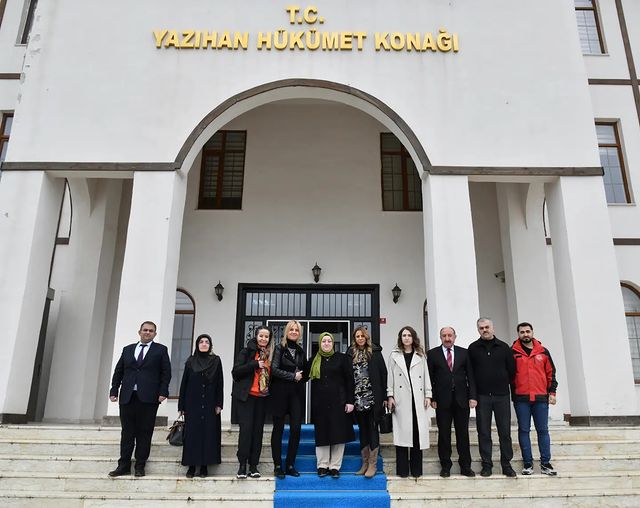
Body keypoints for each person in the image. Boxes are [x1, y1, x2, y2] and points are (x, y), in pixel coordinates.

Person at [108, 320, 171, 477]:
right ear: (139, 332)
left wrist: (163, 392)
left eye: (151, 331)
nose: (147, 332)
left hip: (149, 398)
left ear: (155, 334)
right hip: (128, 397)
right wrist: (114, 389)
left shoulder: (160, 350)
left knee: (144, 432)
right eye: (145, 330)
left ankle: (140, 466)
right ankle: (123, 465)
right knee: (127, 432)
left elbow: (166, 373)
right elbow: (119, 371)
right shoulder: (128, 350)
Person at [468, 317, 517, 478]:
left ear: (493, 328)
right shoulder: (473, 348)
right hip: (482, 397)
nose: (485, 330)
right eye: (481, 328)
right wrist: (473, 396)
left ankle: (506, 464)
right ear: (478, 330)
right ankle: (487, 464)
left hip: (502, 395)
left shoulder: (504, 347)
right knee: (483, 432)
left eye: (487, 327)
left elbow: (511, 371)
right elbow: (471, 375)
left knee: (505, 431)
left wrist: (501, 383)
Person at [427, 326, 477, 478]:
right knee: (444, 434)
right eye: (444, 336)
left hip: (462, 400)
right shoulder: (433, 354)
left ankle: (465, 466)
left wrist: (472, 396)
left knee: (463, 434)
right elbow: (430, 378)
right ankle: (445, 466)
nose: (447, 338)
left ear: (455, 336)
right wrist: (433, 398)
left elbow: (471, 376)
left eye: (450, 335)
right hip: (442, 401)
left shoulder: (464, 352)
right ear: (440, 337)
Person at [511, 321, 558, 476]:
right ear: (518, 334)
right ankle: (528, 463)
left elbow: (551, 373)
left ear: (532, 332)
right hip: (521, 398)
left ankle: (545, 463)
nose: (525, 334)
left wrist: (552, 393)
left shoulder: (543, 351)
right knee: (524, 430)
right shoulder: (513, 352)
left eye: (528, 331)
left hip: (541, 398)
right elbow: (509, 375)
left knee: (543, 430)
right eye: (522, 332)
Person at [387, 326, 431, 478]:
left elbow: (426, 376)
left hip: (418, 400)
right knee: (402, 435)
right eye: (404, 335)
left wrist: (428, 395)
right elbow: (390, 377)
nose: (406, 338)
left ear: (413, 338)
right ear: (400, 338)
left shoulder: (420, 355)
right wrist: (390, 395)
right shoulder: (394, 355)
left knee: (417, 434)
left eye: (409, 335)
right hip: (401, 400)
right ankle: (403, 470)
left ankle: (417, 470)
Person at [309, 332, 355, 478]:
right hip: (320, 403)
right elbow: (302, 375)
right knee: (322, 434)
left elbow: (350, 381)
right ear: (320, 343)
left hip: (339, 402)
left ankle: (335, 466)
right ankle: (322, 465)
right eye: (324, 341)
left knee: (338, 434)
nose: (327, 343)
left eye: (329, 341)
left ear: (333, 343)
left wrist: (350, 401)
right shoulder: (313, 360)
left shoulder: (342, 359)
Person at [178, 334, 223, 478]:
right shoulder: (190, 361)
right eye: (201, 342)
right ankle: (191, 466)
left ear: (210, 345)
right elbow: (184, 383)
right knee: (192, 434)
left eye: (207, 342)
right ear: (197, 344)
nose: (204, 344)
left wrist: (219, 404)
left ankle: (204, 466)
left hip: (210, 403)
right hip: (193, 403)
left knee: (208, 434)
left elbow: (220, 383)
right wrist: (181, 405)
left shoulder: (216, 360)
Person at [231, 325, 273, 479]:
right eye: (261, 336)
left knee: (258, 432)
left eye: (266, 337)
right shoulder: (246, 351)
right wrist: (255, 364)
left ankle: (254, 465)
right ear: (256, 336)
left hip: (262, 399)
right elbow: (235, 371)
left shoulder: (270, 354)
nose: (263, 339)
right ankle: (242, 465)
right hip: (247, 397)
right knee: (246, 431)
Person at [346, 326, 387, 478]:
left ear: (366, 337)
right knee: (362, 430)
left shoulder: (375, 352)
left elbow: (383, 374)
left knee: (372, 429)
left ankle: (373, 464)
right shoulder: (350, 353)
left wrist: (383, 397)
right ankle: (364, 463)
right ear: (354, 338)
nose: (360, 338)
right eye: (357, 336)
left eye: (362, 336)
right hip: (358, 398)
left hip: (373, 397)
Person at [270, 320, 308, 479]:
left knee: (296, 430)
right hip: (279, 394)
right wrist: (293, 376)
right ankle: (278, 465)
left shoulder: (300, 350)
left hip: (296, 396)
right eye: (291, 329)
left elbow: (305, 373)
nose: (293, 332)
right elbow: (274, 369)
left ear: (299, 333)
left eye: (296, 330)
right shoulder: (279, 348)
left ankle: (290, 464)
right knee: (278, 430)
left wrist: (304, 376)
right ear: (287, 332)